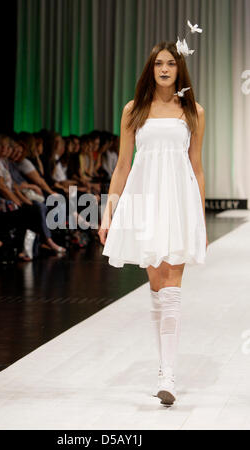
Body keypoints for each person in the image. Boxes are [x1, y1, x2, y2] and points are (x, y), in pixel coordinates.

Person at [99, 38, 208, 406]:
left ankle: (168, 374)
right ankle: (164, 366)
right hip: (144, 200)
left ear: (180, 69)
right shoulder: (134, 110)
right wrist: (108, 211)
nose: (164, 68)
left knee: (173, 286)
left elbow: (196, 166)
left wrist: (200, 217)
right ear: (151, 68)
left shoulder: (193, 111)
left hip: (179, 202)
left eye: (171, 64)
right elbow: (123, 164)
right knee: (157, 284)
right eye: (159, 63)